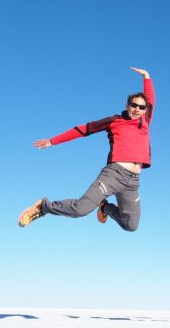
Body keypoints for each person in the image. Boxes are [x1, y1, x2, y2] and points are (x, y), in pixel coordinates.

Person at [18, 67, 155, 232]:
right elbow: (83, 129)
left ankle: (105, 208)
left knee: (131, 225)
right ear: (127, 105)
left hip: (133, 181)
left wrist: (147, 77)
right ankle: (43, 207)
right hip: (114, 174)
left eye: (141, 107)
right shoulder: (114, 121)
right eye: (133, 105)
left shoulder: (144, 121)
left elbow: (150, 99)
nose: (137, 109)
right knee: (80, 210)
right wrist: (53, 141)